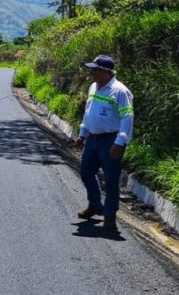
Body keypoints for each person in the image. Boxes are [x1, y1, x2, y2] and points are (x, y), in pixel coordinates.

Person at [74, 55, 134, 230]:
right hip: (92, 139)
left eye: (95, 70)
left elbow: (127, 117)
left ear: (106, 72)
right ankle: (95, 205)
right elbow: (88, 112)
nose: (91, 73)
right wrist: (82, 133)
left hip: (110, 141)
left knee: (111, 179)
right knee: (86, 172)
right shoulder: (93, 87)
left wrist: (120, 142)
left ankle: (109, 216)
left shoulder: (120, 91)